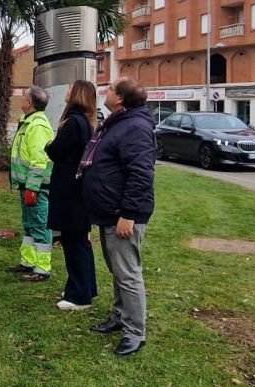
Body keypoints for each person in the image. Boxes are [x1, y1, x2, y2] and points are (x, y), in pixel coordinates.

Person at [79, 77, 156, 357]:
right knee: (118, 270)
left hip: (122, 214)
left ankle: (135, 332)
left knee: (127, 273)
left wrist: (128, 214)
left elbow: (141, 174)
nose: (106, 91)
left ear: (120, 98)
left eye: (110, 89)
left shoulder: (135, 127)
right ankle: (120, 316)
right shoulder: (118, 122)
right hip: (108, 211)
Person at [45, 80, 98, 311]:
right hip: (77, 191)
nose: (66, 92)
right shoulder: (84, 121)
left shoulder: (73, 122)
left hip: (70, 192)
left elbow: (56, 150)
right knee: (79, 241)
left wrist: (49, 146)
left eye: (70, 89)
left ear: (77, 94)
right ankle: (84, 287)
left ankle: (79, 296)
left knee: (74, 242)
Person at [7, 86, 53, 282]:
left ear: (30, 103)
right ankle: (27, 261)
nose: (21, 99)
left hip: (36, 187)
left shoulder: (37, 126)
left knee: (40, 225)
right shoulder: (28, 122)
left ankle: (42, 268)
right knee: (29, 225)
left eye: (24, 97)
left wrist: (33, 188)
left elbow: (40, 160)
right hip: (26, 185)